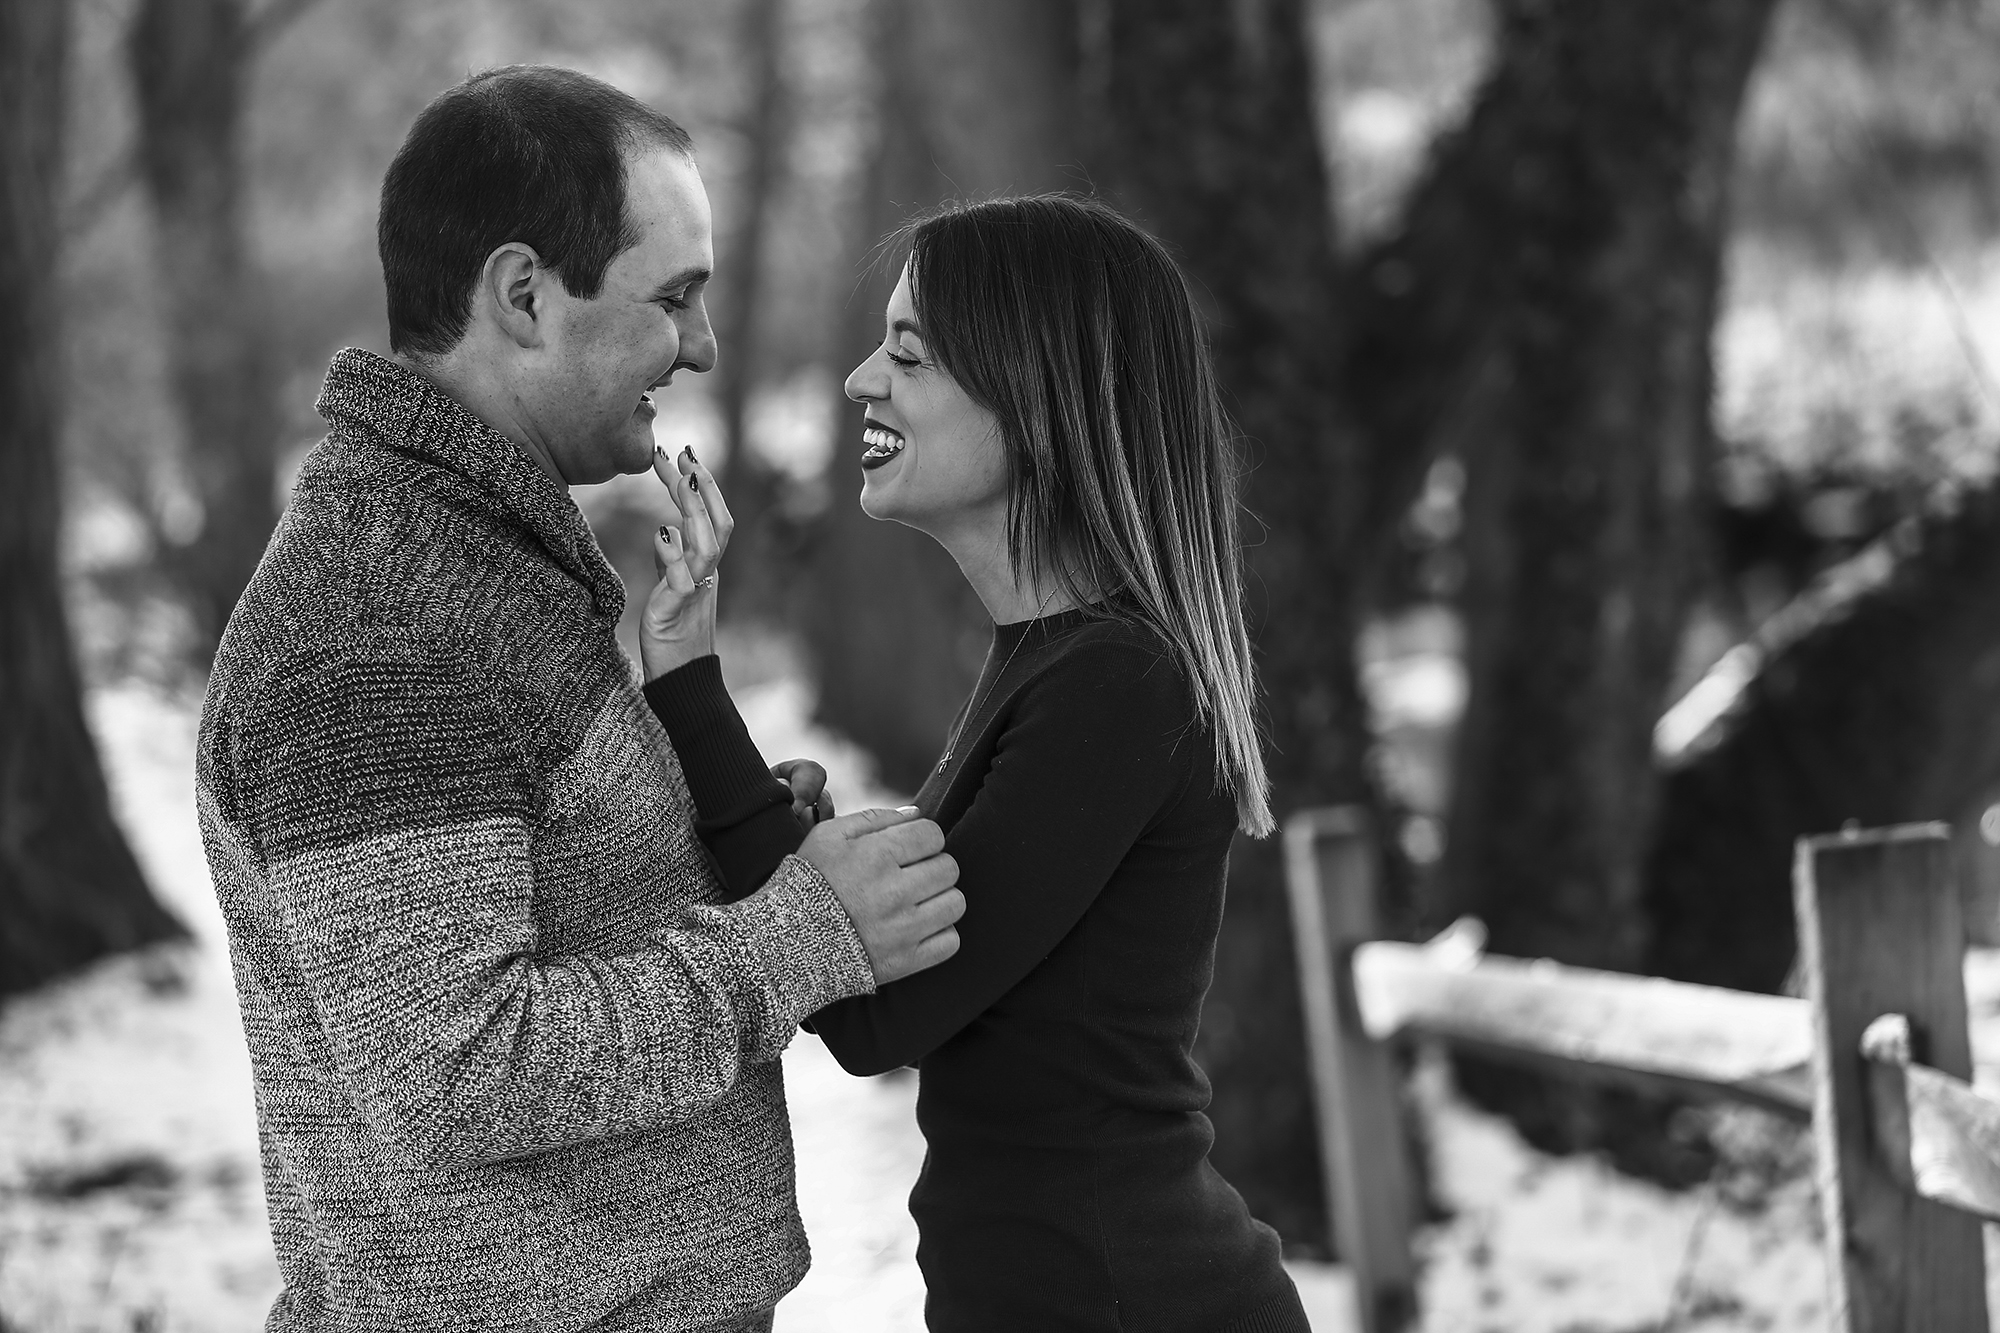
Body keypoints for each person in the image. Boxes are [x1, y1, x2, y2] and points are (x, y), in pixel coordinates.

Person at [195, 65, 965, 1333]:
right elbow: (458, 1071)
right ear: (522, 296)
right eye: (673, 298)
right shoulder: (377, 625)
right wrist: (803, 931)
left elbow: (538, 897)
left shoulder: (474, 550)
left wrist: (712, 813)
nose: (705, 348)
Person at [640, 195, 1309, 1332]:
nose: (858, 379)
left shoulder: (1114, 688)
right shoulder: (1055, 663)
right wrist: (800, 842)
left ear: (1034, 396)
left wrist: (692, 693)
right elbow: (898, 960)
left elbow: (876, 1015)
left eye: (907, 351)